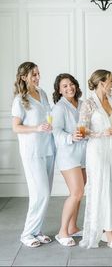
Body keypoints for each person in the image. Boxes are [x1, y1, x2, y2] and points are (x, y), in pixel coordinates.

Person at [78, 69, 112, 250]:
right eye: (111, 80)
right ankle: (109, 233)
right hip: (97, 150)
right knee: (103, 186)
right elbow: (82, 131)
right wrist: (102, 132)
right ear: (101, 83)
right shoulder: (88, 103)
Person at [12, 62, 55, 248]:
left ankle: (37, 231)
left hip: (48, 149)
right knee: (40, 194)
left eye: (38, 73)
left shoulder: (43, 93)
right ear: (23, 77)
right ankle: (27, 233)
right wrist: (36, 128)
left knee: (45, 194)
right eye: (33, 75)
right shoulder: (20, 99)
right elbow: (16, 127)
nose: (37, 77)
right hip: (32, 151)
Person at [52, 73, 87, 247]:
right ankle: (62, 232)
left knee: (79, 194)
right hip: (68, 156)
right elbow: (56, 132)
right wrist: (70, 137)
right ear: (59, 90)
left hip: (83, 155)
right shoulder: (60, 107)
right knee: (76, 192)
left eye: (71, 84)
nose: (69, 88)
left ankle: (73, 227)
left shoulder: (82, 104)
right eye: (64, 86)